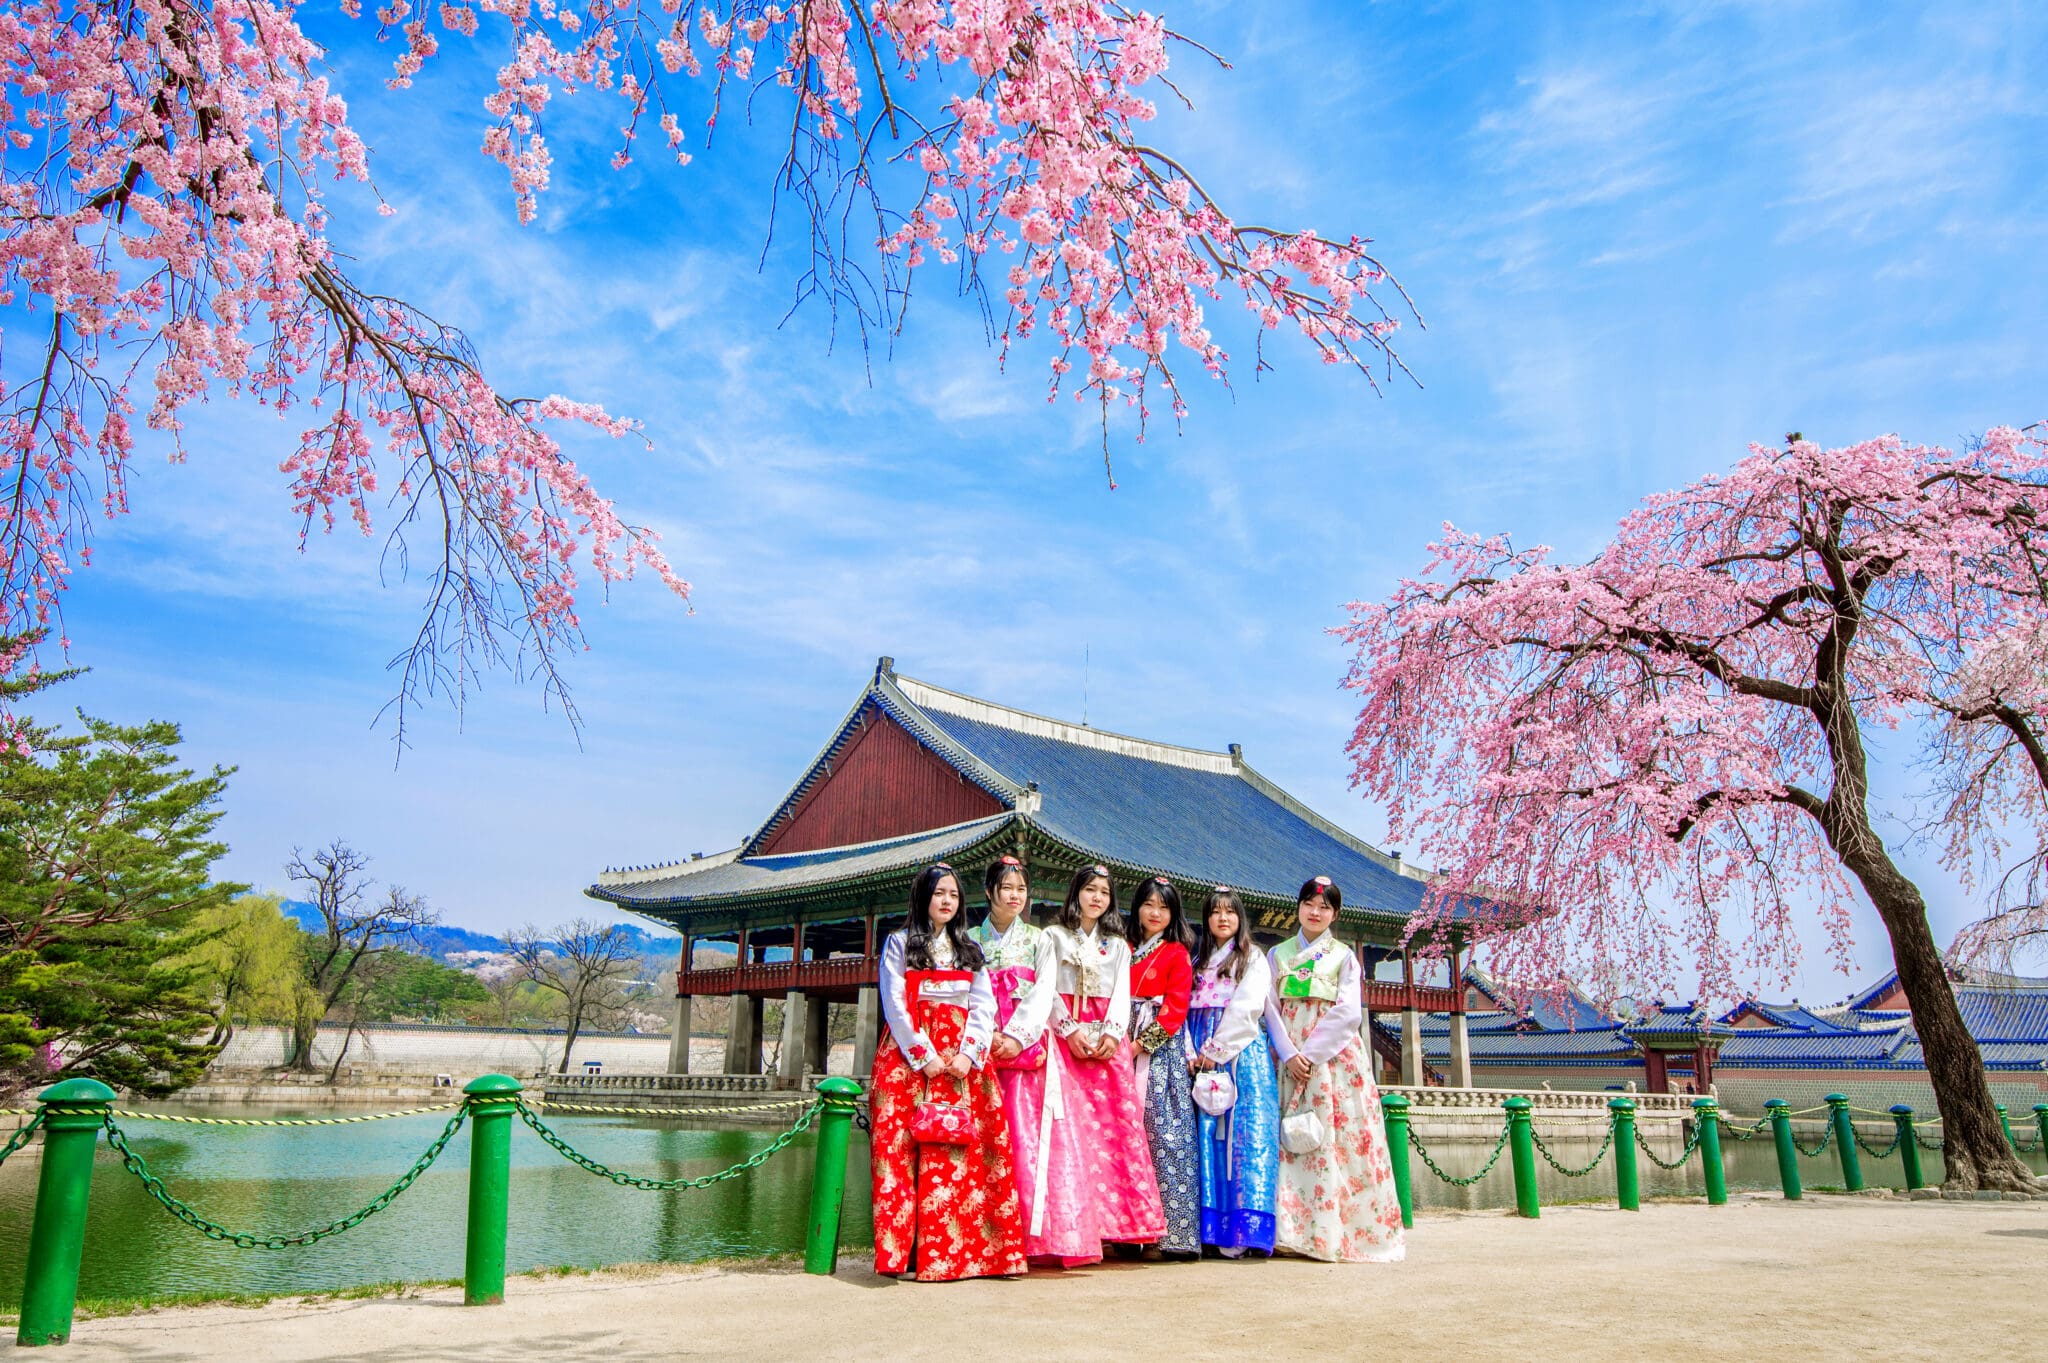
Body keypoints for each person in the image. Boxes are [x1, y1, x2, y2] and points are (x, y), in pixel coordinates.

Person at [870, 862, 1027, 1281]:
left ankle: (970, 1256)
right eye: (939, 893)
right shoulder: (899, 944)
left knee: (966, 1156)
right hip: (909, 1059)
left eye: (953, 895)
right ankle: (904, 1256)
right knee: (901, 1153)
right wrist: (924, 1056)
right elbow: (895, 1005)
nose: (946, 902)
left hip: (963, 1062)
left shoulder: (970, 950)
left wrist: (968, 1054)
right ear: (922, 897)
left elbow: (983, 1006)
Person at [1263, 875, 1405, 1263]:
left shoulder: (1344, 957)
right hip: (1288, 1054)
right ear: (1298, 907)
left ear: (1335, 914)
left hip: (1332, 1059)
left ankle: (1338, 1233)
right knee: (1286, 1141)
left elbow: (1347, 1013)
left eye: (1324, 907)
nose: (1315, 912)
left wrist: (1309, 1053)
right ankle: (1289, 1233)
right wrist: (1289, 1052)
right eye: (1309, 903)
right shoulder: (1278, 955)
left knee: (1338, 1139)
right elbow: (1271, 1009)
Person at [1032, 863, 1167, 1264]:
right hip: (1065, 1040)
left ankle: (1123, 1227)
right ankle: (1073, 1230)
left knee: (1117, 1133)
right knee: (1068, 1133)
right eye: (1089, 890)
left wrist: (1113, 1033)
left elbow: (1122, 993)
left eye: (1104, 893)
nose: (1096, 898)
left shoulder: (1118, 945)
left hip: (1108, 1043)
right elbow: (1047, 989)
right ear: (1075, 893)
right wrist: (1069, 1029)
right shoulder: (1052, 937)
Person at [966, 855, 1065, 1236]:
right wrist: (986, 1035)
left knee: (1025, 1138)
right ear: (989, 891)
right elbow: (967, 992)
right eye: (1006, 887)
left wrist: (1016, 1036)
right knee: (981, 1135)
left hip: (1023, 1044)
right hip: (980, 1043)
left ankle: (1022, 1232)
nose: (1014, 896)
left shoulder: (1039, 939)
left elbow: (1044, 991)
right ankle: (978, 1229)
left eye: (1021, 889)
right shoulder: (970, 940)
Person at [1186, 885, 1280, 1257]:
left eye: (1230, 912)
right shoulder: (1197, 960)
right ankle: (1211, 1229)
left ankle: (1246, 1230)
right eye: (1215, 912)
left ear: (1240, 919)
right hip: (1199, 1046)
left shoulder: (1252, 957)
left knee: (1245, 1137)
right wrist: (1193, 1052)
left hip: (1240, 1053)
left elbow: (1247, 1007)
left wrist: (1215, 1050)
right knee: (1205, 1138)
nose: (1222, 919)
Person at [1127, 875, 1198, 1258]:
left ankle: (1168, 1233)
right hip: (1118, 1038)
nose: (1155, 913)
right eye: (1149, 904)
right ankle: (1126, 1230)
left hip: (1159, 1052)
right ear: (1137, 906)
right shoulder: (1123, 947)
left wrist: (1139, 1044)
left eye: (1164, 907)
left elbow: (1175, 1011)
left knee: (1163, 1133)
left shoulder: (1176, 953)